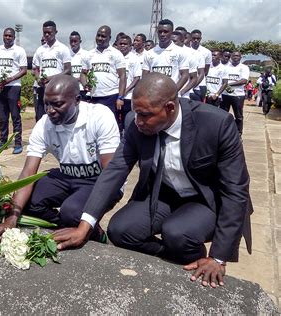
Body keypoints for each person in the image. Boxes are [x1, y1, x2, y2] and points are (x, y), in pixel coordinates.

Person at [54, 73, 252, 289]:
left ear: (170, 108)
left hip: (205, 200)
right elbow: (115, 171)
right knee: (120, 230)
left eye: (145, 115)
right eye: (136, 113)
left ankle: (196, 256)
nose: (137, 122)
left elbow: (236, 190)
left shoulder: (216, 123)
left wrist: (218, 258)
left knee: (177, 233)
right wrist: (85, 226)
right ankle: (175, 255)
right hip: (163, 194)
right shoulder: (135, 122)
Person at [0, 74, 121, 242]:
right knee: (25, 204)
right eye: (46, 103)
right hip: (68, 176)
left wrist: (84, 223)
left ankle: (94, 233)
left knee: (72, 212)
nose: (50, 110)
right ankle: (67, 226)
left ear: (77, 100)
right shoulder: (44, 124)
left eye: (57, 104)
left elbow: (111, 175)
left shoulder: (99, 116)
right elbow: (28, 173)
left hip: (99, 180)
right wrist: (11, 219)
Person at [81, 25, 126, 131]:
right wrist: (84, 84)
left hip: (110, 96)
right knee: (92, 124)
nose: (100, 38)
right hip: (93, 96)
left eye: (103, 36)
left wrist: (120, 97)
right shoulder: (89, 55)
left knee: (110, 125)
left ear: (109, 38)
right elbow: (83, 74)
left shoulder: (116, 54)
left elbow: (123, 76)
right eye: (98, 35)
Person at [0, 27, 27, 154]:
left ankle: (17, 142)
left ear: (14, 37)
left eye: (10, 36)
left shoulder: (19, 51)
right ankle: (3, 141)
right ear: (3, 36)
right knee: (2, 116)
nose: (7, 38)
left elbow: (23, 70)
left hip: (13, 87)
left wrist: (9, 79)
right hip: (0, 87)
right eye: (5, 35)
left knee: (15, 116)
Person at [32, 21, 71, 121]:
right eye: (44, 32)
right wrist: (38, 79)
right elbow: (35, 69)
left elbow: (68, 70)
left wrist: (50, 78)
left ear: (55, 32)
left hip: (57, 89)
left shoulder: (63, 48)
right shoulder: (40, 50)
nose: (47, 35)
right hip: (42, 89)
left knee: (56, 117)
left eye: (49, 32)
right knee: (41, 117)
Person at [142, 19, 189, 93]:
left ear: (172, 33)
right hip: (153, 96)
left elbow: (185, 75)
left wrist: (173, 92)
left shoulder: (180, 52)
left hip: (172, 97)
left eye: (165, 31)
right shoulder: (149, 53)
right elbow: (145, 77)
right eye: (160, 32)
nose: (162, 34)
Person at [114, 34, 141, 128]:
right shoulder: (114, 57)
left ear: (130, 46)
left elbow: (137, 78)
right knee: (115, 121)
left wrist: (125, 91)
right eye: (120, 43)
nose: (122, 46)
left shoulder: (135, 59)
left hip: (128, 96)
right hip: (114, 95)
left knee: (127, 121)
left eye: (125, 44)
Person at [220, 51, 249, 134]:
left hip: (238, 95)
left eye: (237, 56)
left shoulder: (244, 67)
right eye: (234, 56)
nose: (235, 57)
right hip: (225, 94)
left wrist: (228, 84)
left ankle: (238, 133)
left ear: (240, 57)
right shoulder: (225, 67)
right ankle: (223, 132)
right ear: (231, 57)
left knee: (238, 116)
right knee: (223, 115)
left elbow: (243, 80)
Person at [170, 31, 201, 100]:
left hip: (183, 96)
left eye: (174, 41)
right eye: (171, 41)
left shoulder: (190, 55)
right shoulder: (166, 54)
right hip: (166, 95)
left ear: (182, 41)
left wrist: (181, 92)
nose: (172, 44)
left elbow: (194, 78)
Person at [190, 30, 212, 101]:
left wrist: (195, 82)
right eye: (194, 38)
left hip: (200, 85)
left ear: (201, 39)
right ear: (190, 38)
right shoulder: (186, 50)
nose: (196, 40)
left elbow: (206, 71)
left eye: (198, 38)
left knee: (199, 106)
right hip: (187, 83)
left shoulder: (207, 52)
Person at [69, 31, 88, 100]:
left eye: (75, 41)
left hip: (83, 89)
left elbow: (88, 73)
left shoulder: (86, 54)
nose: (73, 44)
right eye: (71, 41)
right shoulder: (66, 55)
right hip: (71, 90)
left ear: (80, 41)